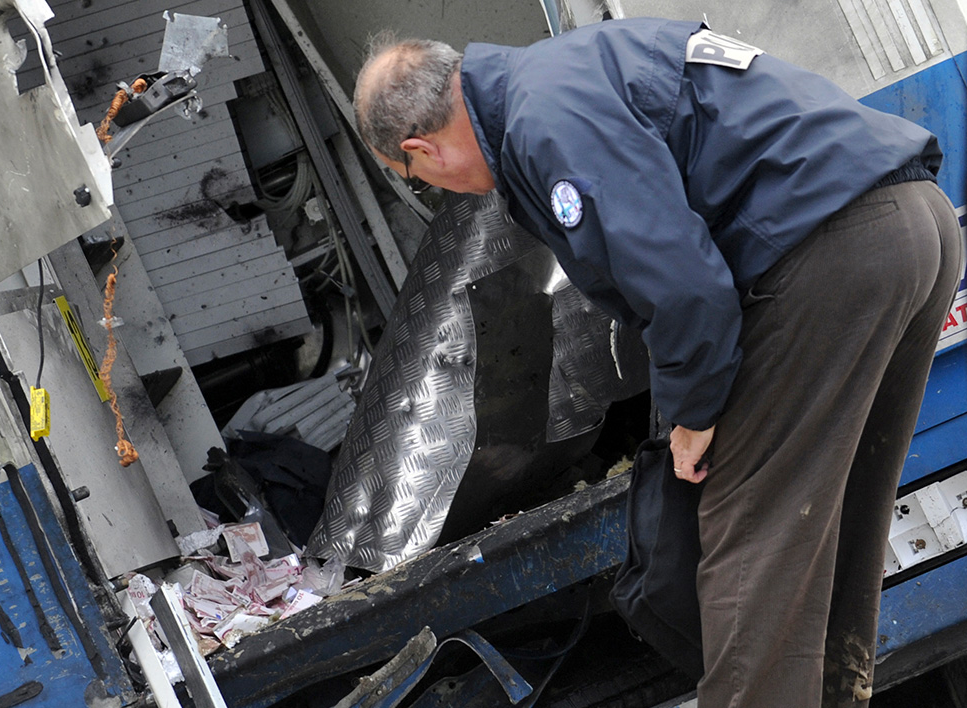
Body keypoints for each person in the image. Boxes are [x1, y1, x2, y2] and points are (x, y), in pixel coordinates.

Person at [352, 17, 964, 708]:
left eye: (419, 179)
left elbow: (682, 285)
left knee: (748, 534)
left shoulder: (543, 123)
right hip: (915, 225)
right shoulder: (564, 74)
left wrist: (694, 415)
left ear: (420, 149)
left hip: (833, 251)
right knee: (841, 516)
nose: (447, 191)